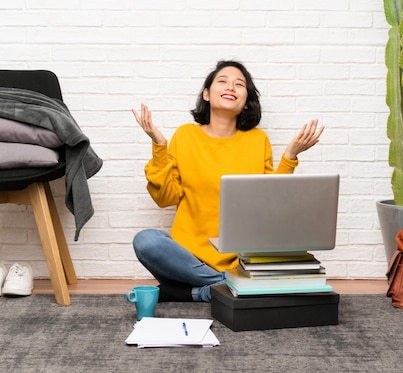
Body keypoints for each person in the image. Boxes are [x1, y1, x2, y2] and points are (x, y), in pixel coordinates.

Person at [131, 60, 324, 302]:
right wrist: (160, 145)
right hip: (188, 259)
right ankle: (229, 287)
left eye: (239, 84)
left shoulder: (257, 140)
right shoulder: (185, 135)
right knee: (146, 241)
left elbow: (270, 204)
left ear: (246, 101)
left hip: (239, 260)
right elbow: (164, 198)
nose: (230, 86)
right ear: (207, 94)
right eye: (222, 81)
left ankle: (204, 291)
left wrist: (289, 157)